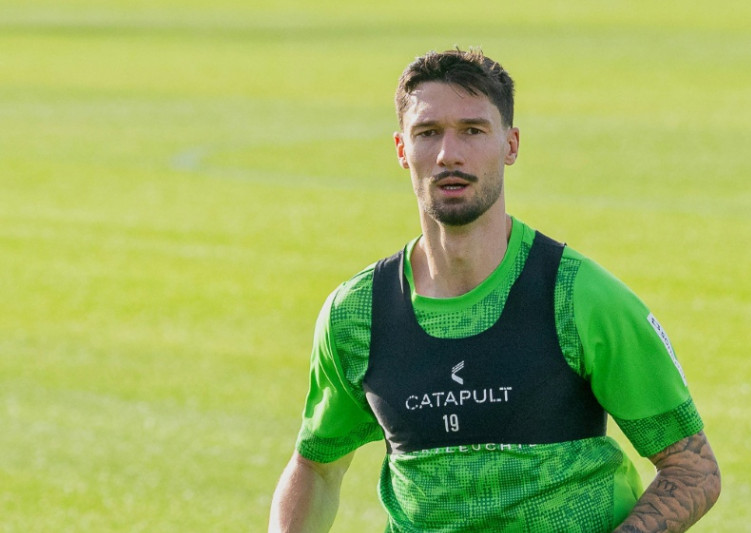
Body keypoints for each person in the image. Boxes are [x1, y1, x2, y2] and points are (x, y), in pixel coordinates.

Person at [269, 48, 721, 533]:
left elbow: (692, 469)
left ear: (510, 144)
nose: (449, 154)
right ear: (402, 149)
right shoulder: (358, 314)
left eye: (472, 130)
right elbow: (316, 467)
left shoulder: (579, 295)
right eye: (428, 133)